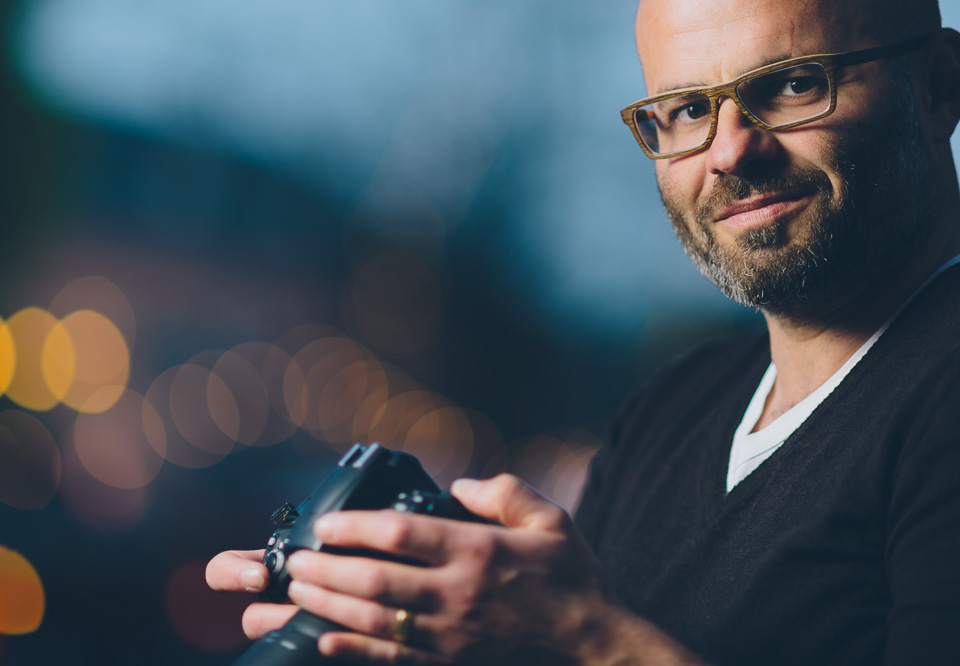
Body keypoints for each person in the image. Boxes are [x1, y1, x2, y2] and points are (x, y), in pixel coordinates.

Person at [207, 0, 960, 663]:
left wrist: (586, 641)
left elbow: (582, 642)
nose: (730, 151)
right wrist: (432, 625)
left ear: (937, 86)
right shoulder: (672, 411)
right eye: (688, 110)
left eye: (794, 84)